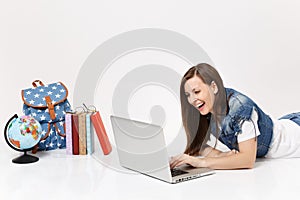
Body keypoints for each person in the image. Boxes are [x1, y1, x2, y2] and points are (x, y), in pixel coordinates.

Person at [169, 63, 300, 170]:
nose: (192, 100)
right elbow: (201, 148)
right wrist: (221, 155)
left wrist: (202, 162)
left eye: (196, 92)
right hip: (284, 124)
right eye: (188, 95)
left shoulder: (240, 109)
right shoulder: (208, 109)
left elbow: (247, 160)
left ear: (213, 87)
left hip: (294, 138)